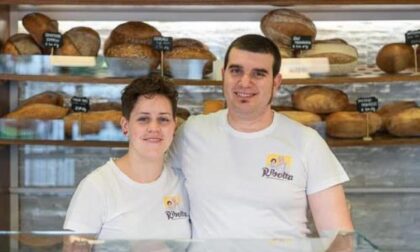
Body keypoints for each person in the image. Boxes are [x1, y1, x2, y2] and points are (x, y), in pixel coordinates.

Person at [169, 34, 353, 239]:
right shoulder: (192, 132)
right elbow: (159, 193)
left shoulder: (307, 142)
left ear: (276, 83)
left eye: (258, 74)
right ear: (223, 75)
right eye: (236, 71)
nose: (244, 82)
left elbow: (339, 236)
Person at [64, 75, 190, 240]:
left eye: (163, 119)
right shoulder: (97, 187)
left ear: (174, 126)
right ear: (125, 126)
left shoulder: (181, 183)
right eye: (143, 119)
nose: (154, 128)